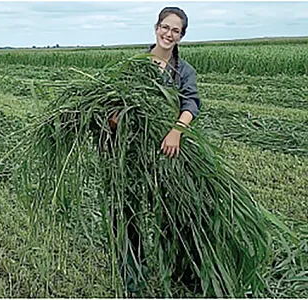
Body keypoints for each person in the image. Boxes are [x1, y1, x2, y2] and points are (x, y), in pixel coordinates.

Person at [108, 6, 202, 297]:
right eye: (165, 27)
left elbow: (192, 104)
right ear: (156, 28)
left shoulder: (183, 71)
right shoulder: (136, 65)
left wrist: (176, 131)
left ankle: (178, 273)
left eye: (175, 30)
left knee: (177, 215)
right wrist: (115, 119)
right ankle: (132, 281)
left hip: (168, 154)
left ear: (181, 36)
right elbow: (115, 103)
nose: (169, 34)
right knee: (128, 217)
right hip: (133, 154)